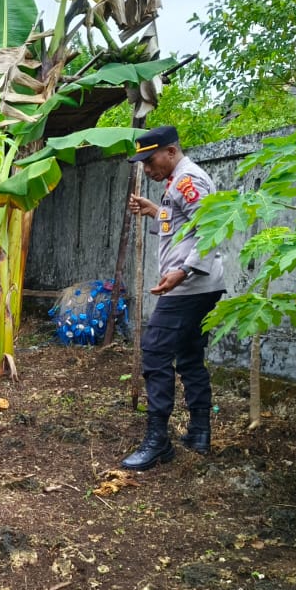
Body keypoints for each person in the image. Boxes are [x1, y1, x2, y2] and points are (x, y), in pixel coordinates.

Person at [121, 126, 227, 470]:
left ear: (170, 151)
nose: (147, 169)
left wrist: (183, 271)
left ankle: (157, 441)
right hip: (201, 285)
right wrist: (155, 211)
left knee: (154, 351)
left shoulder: (188, 181)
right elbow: (185, 226)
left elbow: (212, 230)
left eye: (149, 161)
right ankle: (199, 432)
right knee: (190, 356)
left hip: (189, 286)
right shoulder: (177, 183)